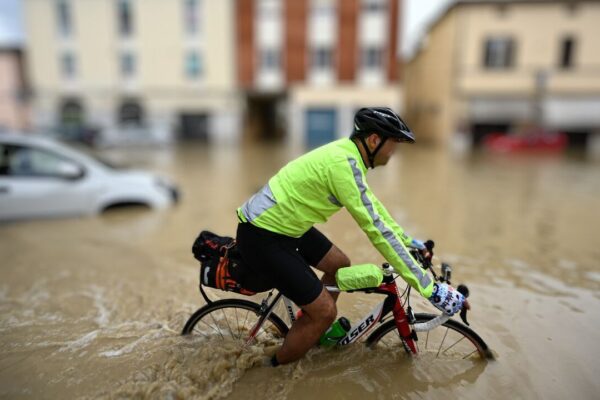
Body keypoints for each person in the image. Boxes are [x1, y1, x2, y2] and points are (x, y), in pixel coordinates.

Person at [236, 107, 466, 366]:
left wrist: (409, 242)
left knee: (339, 264)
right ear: (374, 141)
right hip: (263, 234)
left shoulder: (350, 158)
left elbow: (375, 210)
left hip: (286, 225)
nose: (394, 152)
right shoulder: (343, 165)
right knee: (325, 313)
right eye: (393, 144)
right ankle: (271, 369)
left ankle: (308, 327)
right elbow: (376, 231)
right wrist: (429, 288)